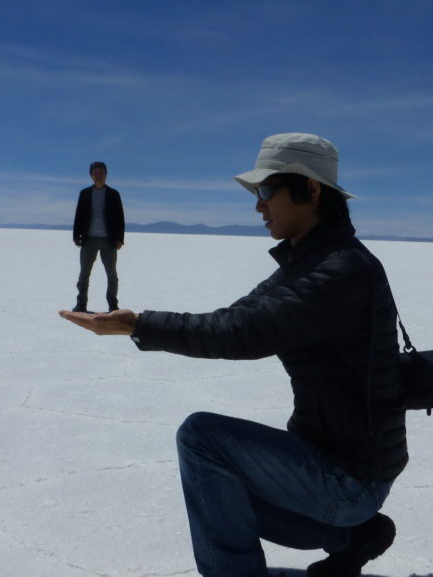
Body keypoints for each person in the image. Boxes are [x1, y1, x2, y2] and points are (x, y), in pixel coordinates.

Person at [59, 133, 405, 577]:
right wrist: (140, 323)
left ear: (310, 190)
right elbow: (237, 315)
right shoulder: (309, 263)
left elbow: (243, 333)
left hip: (349, 479)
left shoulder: (339, 271)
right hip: (335, 462)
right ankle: (351, 536)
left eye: (267, 190)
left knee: (200, 438)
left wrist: (140, 325)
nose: (258, 206)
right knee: (215, 486)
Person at [72, 161, 125, 312]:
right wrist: (76, 235)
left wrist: (120, 239)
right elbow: (79, 215)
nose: (98, 175)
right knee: (84, 274)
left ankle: (113, 305)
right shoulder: (85, 194)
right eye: (95, 172)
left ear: (106, 174)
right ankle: (81, 304)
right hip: (89, 239)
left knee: (112, 275)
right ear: (91, 175)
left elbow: (120, 218)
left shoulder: (114, 194)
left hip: (109, 240)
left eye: (101, 172)